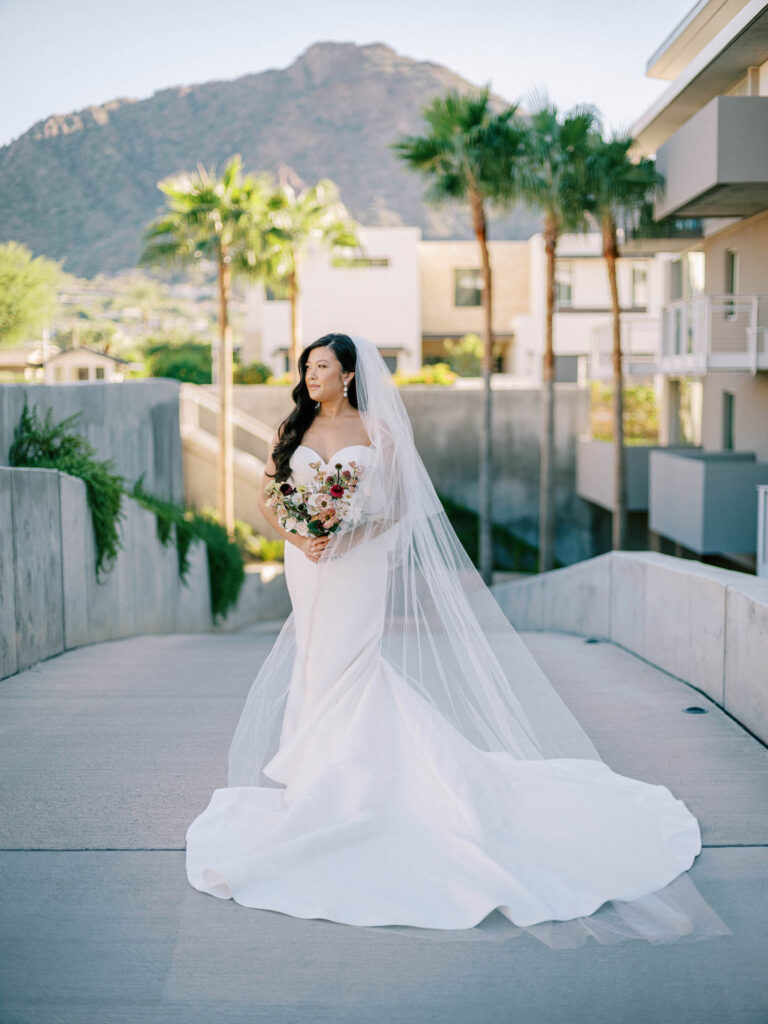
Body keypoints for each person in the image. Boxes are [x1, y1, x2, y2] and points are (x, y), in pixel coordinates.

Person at [185, 333, 730, 948]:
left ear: (350, 374)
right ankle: (317, 781)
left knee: (351, 661)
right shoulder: (292, 426)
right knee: (314, 662)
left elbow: (398, 506)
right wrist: (300, 538)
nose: (311, 375)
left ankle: (355, 785)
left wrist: (351, 537)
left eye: (323, 367)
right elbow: (268, 496)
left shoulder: (379, 431)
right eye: (307, 366)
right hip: (307, 564)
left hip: (358, 564)